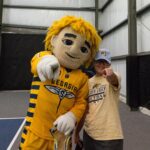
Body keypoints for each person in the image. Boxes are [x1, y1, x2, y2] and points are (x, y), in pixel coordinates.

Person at [19, 16, 101, 150]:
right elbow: (36, 62)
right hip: (34, 135)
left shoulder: (82, 79)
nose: (74, 50)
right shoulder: (43, 56)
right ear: (54, 40)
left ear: (89, 56)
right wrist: (45, 61)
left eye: (84, 49)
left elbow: (81, 103)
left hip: (62, 138)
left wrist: (72, 116)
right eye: (68, 41)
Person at [75, 48, 123, 150]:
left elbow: (114, 80)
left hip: (109, 137)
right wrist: (76, 132)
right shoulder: (88, 83)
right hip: (89, 134)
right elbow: (84, 110)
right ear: (94, 63)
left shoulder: (114, 77)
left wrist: (111, 75)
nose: (102, 65)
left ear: (109, 64)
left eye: (105, 63)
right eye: (99, 62)